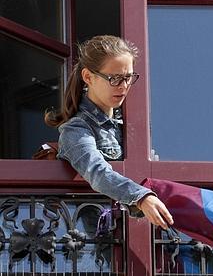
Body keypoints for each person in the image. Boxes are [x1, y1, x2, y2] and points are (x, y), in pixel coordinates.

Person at [45, 35, 173, 230]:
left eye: (128, 78)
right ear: (88, 77)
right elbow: (98, 173)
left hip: (142, 232)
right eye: (114, 78)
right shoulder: (76, 129)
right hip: (100, 243)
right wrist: (142, 197)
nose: (123, 86)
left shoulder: (132, 127)